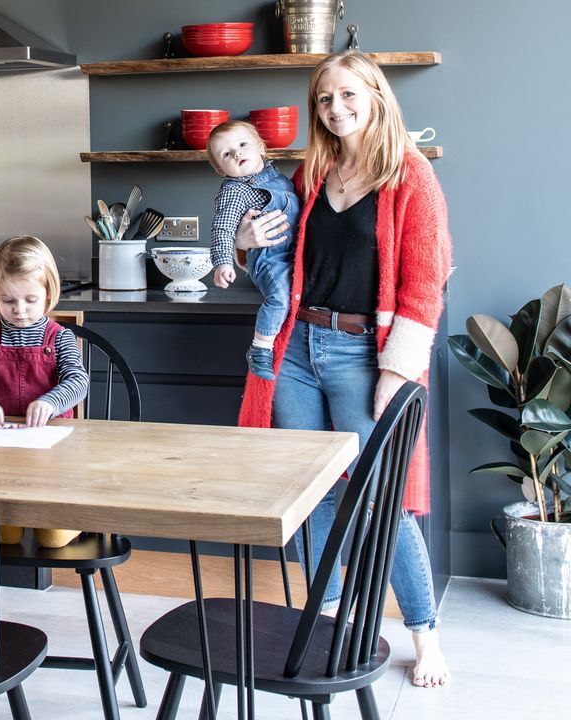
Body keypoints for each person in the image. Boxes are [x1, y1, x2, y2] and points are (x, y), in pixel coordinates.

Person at [234, 50, 453, 689]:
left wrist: (396, 372)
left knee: (384, 498)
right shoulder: (313, 173)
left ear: (376, 95)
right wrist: (246, 245)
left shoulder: (410, 175)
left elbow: (425, 285)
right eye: (325, 98)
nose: (336, 108)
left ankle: (423, 634)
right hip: (299, 349)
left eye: (348, 94)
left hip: (366, 356)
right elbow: (281, 263)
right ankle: (326, 617)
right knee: (314, 490)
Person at [0, 235, 89, 548]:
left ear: (48, 294)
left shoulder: (60, 338)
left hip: (51, 452)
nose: (19, 310)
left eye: (30, 299)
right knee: (4, 535)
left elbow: (78, 380)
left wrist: (50, 401)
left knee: (52, 538)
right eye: (8, 301)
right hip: (0, 453)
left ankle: (81, 517)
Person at [205, 120, 301, 381]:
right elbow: (222, 229)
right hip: (268, 259)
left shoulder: (280, 178)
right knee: (280, 297)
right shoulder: (234, 191)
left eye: (243, 144)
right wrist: (223, 262)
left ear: (261, 148)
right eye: (226, 154)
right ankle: (260, 348)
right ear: (219, 169)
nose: (237, 153)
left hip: (291, 255)